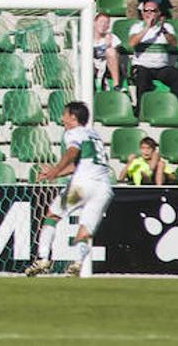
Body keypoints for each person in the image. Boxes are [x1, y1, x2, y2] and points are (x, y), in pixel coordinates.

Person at [27, 101, 113, 277]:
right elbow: (78, 164)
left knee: (53, 215)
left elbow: (72, 153)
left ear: (73, 117)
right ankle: (78, 263)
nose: (61, 118)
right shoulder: (94, 135)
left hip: (81, 187)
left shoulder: (73, 133)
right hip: (103, 188)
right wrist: (55, 174)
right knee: (85, 228)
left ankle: (43, 258)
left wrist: (54, 171)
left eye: (64, 114)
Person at [127, 0, 178, 112]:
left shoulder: (167, 27)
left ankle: (177, 109)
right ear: (142, 13)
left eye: (153, 11)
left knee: (177, 75)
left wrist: (163, 29)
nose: (149, 13)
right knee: (142, 77)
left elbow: (174, 43)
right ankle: (141, 109)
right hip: (142, 65)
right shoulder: (137, 27)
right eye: (146, 11)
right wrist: (146, 27)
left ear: (158, 13)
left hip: (161, 67)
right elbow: (131, 43)